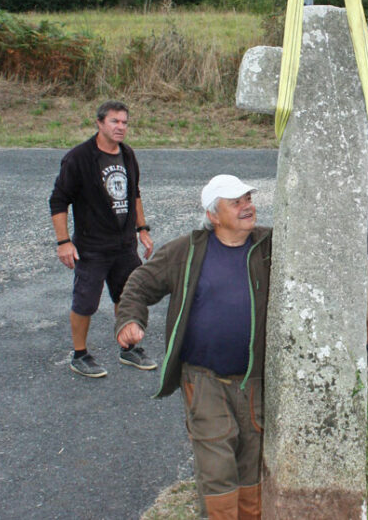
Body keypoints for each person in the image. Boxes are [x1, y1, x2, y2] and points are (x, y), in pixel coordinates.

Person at [115, 174, 270, 519]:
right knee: (217, 470)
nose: (248, 207)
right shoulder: (187, 251)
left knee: (251, 468)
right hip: (204, 381)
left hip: (255, 383)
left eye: (248, 199)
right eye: (237, 202)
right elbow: (140, 283)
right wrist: (130, 319)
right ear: (213, 215)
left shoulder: (269, 246)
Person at [49, 100, 156, 378]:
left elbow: (135, 194)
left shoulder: (128, 154)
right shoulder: (79, 158)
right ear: (99, 123)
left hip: (123, 244)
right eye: (115, 122)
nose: (121, 127)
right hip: (92, 246)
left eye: (125, 122)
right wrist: (63, 242)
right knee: (86, 302)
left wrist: (142, 229)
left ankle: (129, 348)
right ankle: (80, 355)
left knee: (128, 295)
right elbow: (58, 200)